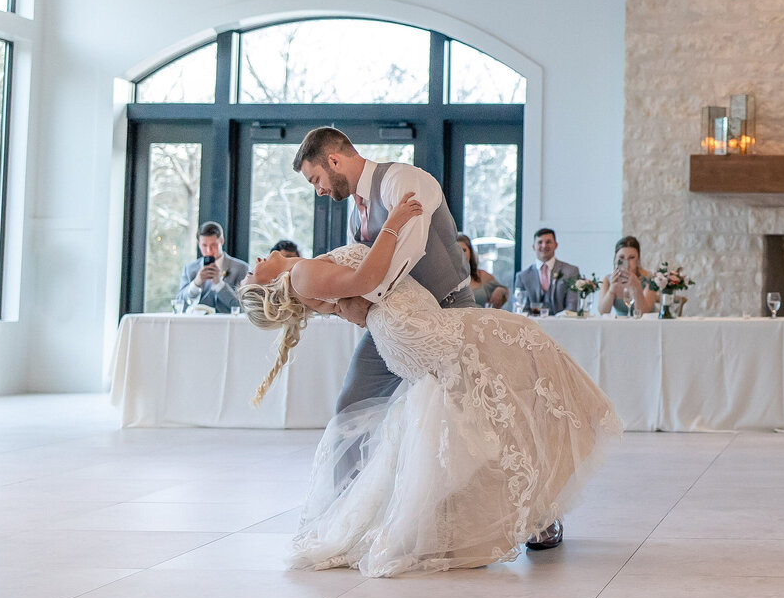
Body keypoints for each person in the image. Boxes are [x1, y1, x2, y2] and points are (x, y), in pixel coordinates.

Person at [238, 194, 619, 576]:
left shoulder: (305, 275)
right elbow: (364, 279)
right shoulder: (301, 274)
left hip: (402, 326)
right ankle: (525, 505)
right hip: (414, 328)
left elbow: (354, 306)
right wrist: (396, 221)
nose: (254, 263)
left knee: (476, 403)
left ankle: (514, 508)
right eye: (253, 274)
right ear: (270, 285)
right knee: (514, 355)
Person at [292, 127, 562, 551]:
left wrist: (365, 295)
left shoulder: (404, 181)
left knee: (480, 415)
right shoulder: (354, 213)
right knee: (352, 405)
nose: (319, 190)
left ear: (334, 160)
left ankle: (541, 517)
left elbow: (410, 248)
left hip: (449, 313)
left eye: (315, 180)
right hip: (393, 324)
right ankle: (347, 521)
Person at [176, 221, 248, 313]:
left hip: (228, 324)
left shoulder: (241, 268)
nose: (209, 250)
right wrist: (195, 283)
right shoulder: (190, 269)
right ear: (198, 244)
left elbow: (244, 308)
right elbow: (179, 303)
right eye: (204, 245)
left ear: (221, 241)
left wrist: (219, 284)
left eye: (213, 245)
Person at [514, 228, 580, 314]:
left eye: (548, 242)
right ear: (534, 247)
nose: (544, 246)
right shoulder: (522, 276)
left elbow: (572, 307)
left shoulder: (571, 271)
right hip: (532, 325)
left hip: (562, 324)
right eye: (540, 242)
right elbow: (521, 309)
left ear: (556, 245)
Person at [597, 236, 658, 316]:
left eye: (631, 257)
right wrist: (612, 289)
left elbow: (643, 312)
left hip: (645, 325)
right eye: (621, 257)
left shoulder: (649, 278)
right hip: (620, 325)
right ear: (615, 259)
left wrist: (637, 287)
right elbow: (602, 312)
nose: (627, 262)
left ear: (638, 260)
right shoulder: (608, 279)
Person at [457, 233, 508, 308]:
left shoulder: (481, 275)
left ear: (470, 252)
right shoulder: (444, 279)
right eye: (457, 250)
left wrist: (500, 290)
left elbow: (506, 292)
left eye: (464, 250)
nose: (461, 254)